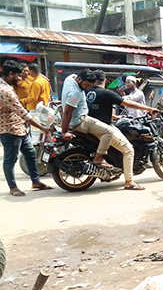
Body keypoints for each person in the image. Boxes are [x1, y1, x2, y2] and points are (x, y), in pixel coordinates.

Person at [61, 69, 144, 190]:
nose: (86, 87)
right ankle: (126, 179)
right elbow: (67, 112)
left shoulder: (70, 79)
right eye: (86, 85)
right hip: (81, 121)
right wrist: (64, 132)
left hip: (85, 120)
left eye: (89, 85)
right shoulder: (77, 93)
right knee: (121, 143)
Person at [0, 60, 53, 196]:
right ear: (11, 74)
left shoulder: (7, 86)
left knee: (30, 153)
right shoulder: (5, 90)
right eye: (19, 76)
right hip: (9, 129)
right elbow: (23, 113)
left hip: (20, 128)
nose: (21, 79)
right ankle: (13, 187)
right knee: (10, 159)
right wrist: (43, 128)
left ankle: (36, 181)